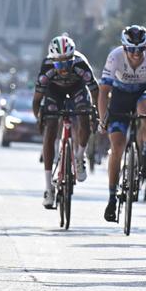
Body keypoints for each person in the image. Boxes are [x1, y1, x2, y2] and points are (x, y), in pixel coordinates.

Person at [96, 25, 146, 223]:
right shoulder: (115, 57)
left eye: (140, 50)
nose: (136, 54)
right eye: (131, 50)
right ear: (124, 47)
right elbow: (103, 92)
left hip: (144, 92)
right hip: (120, 96)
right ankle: (112, 198)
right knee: (117, 146)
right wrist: (103, 120)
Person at [33, 34, 100, 208]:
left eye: (67, 63)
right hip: (54, 92)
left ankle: (79, 157)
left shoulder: (81, 64)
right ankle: (48, 187)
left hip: (77, 89)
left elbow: (95, 91)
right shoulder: (46, 67)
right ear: (52, 60)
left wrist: (95, 113)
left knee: (84, 116)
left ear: (73, 59)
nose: (63, 68)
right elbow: (36, 99)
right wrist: (39, 117)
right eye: (59, 63)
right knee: (50, 129)